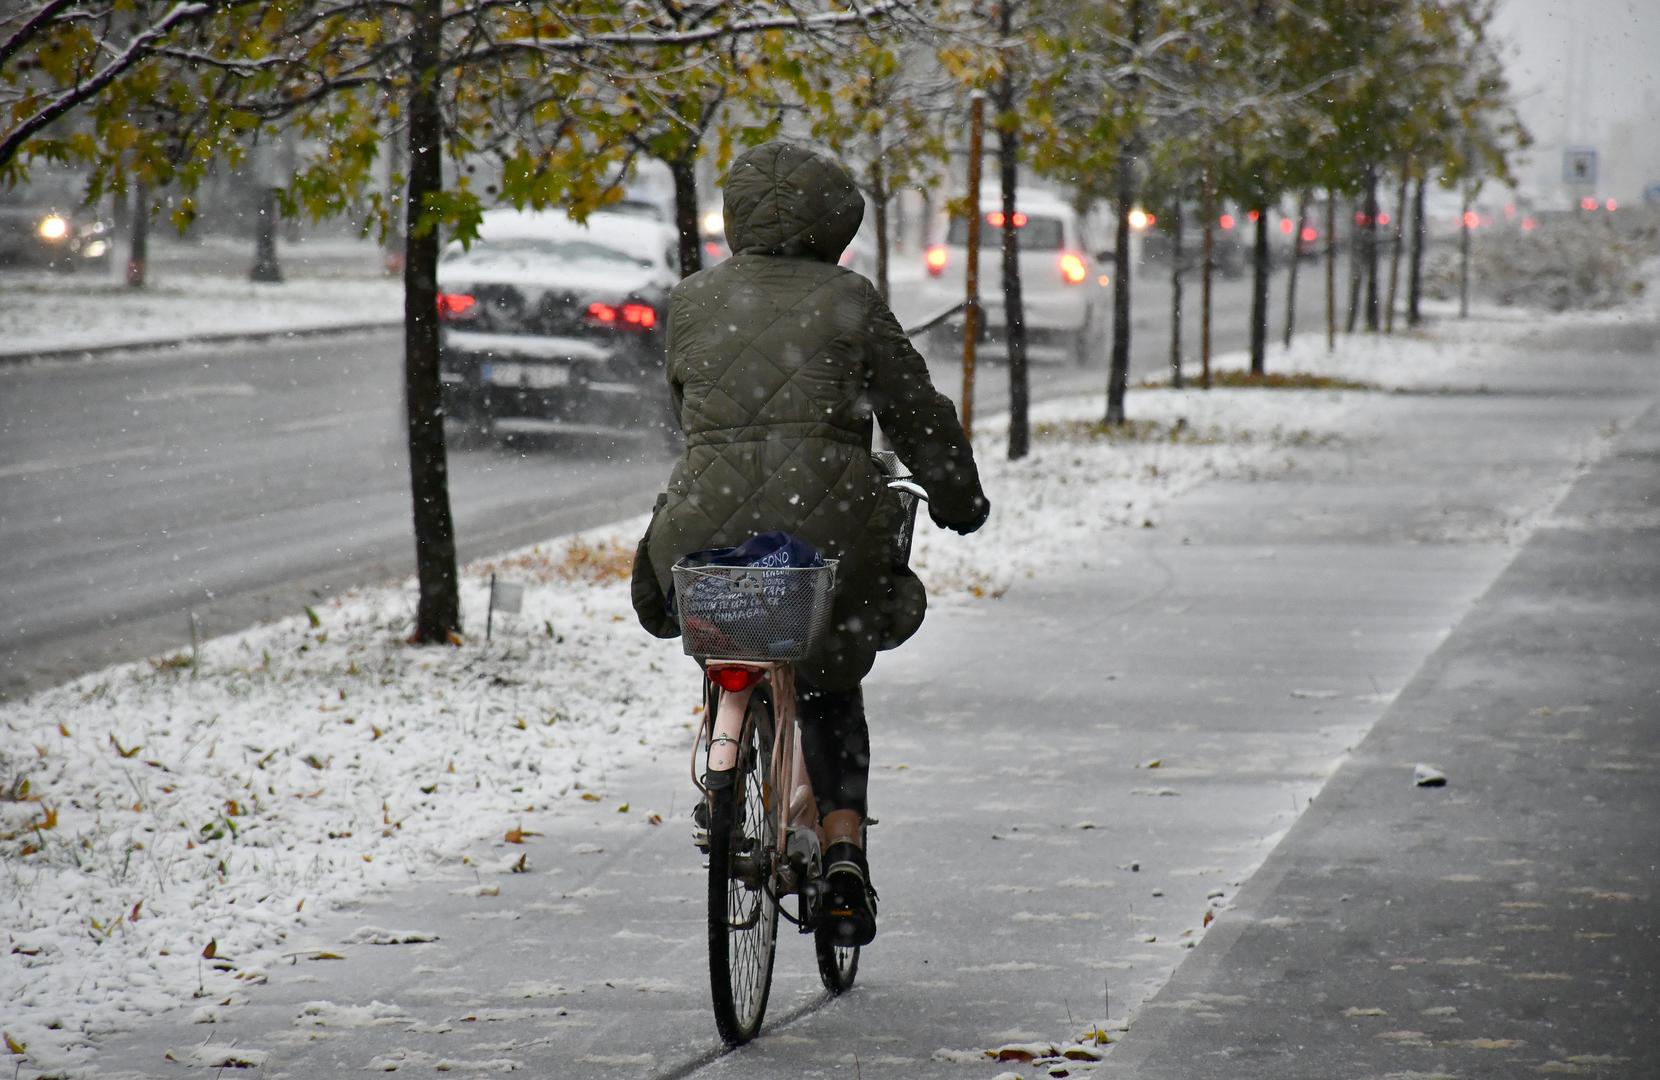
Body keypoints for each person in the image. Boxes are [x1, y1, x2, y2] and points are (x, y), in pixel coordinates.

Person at [631, 139, 989, 946]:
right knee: (828, 675)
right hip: (827, 527)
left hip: (707, 519)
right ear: (836, 223)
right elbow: (916, 413)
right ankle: (842, 853)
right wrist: (958, 498)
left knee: (729, 612)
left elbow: (688, 402)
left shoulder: (690, 300)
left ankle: (728, 769)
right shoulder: (851, 300)